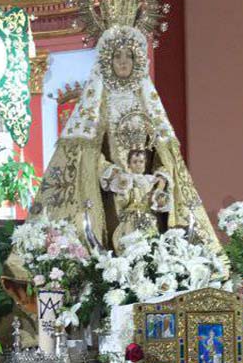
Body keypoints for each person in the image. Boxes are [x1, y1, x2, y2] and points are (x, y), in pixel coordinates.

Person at [29, 23, 222, 257]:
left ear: (137, 60)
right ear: (107, 61)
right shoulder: (99, 102)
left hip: (146, 194)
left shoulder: (147, 102)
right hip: (111, 195)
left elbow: (163, 154)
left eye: (128, 56)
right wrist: (110, 173)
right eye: (117, 56)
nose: (123, 61)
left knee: (149, 247)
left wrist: (160, 178)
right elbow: (88, 154)